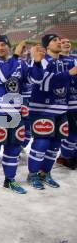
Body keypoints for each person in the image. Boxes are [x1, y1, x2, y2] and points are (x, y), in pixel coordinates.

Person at [0, 36, 44, 195]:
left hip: (15, 112)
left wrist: (36, 62)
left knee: (13, 148)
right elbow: (2, 76)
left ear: (8, 46)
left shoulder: (20, 63)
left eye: (3, 45)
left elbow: (36, 78)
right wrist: (15, 56)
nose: (0, 48)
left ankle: (10, 180)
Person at [27, 34, 77, 189]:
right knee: (42, 143)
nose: (59, 42)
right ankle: (32, 175)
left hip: (61, 109)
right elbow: (44, 80)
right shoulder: (41, 60)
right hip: (42, 109)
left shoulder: (64, 61)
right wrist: (70, 74)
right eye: (55, 40)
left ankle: (45, 173)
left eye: (59, 40)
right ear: (47, 46)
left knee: (55, 145)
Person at [56, 37, 77, 169]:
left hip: (76, 101)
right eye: (63, 42)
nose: (66, 44)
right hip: (64, 103)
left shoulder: (75, 58)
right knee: (70, 133)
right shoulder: (56, 60)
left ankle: (71, 156)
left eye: (68, 42)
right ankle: (65, 156)